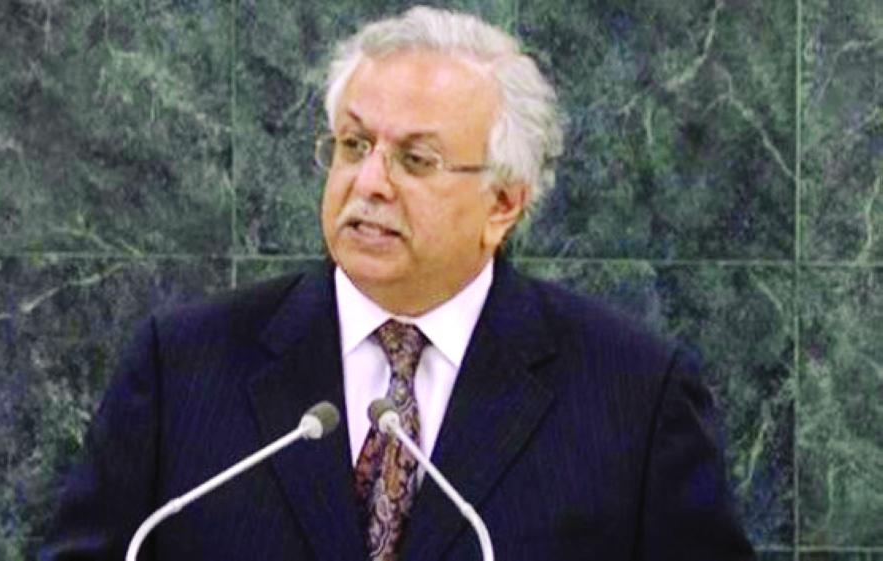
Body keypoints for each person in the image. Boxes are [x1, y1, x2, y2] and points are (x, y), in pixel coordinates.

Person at [40, 6, 755, 561]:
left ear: (503, 204)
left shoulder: (632, 393)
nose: (369, 183)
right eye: (354, 145)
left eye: (416, 159)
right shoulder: (183, 368)